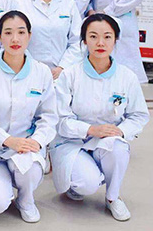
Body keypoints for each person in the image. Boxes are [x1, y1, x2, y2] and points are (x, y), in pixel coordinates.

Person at [50, 14, 149, 221]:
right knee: (86, 183)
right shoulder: (70, 75)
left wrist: (121, 130)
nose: (100, 43)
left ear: (116, 40)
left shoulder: (127, 77)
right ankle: (83, 179)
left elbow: (139, 114)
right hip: (72, 142)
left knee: (118, 147)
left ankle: (113, 197)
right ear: (84, 40)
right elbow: (60, 119)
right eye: (93, 36)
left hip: (107, 141)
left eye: (107, 37)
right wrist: (91, 130)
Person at [0, 11, 58, 223]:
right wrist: (8, 140)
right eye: (8, 33)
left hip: (26, 145)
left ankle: (26, 199)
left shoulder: (42, 72)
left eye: (21, 32)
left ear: (30, 35)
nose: (15, 39)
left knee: (30, 171)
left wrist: (36, 141)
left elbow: (48, 117)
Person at [17, 0, 82, 80]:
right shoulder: (20, 4)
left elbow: (77, 42)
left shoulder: (69, 4)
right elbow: (15, 41)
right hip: (28, 73)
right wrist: (35, 68)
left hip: (63, 74)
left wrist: (62, 67)